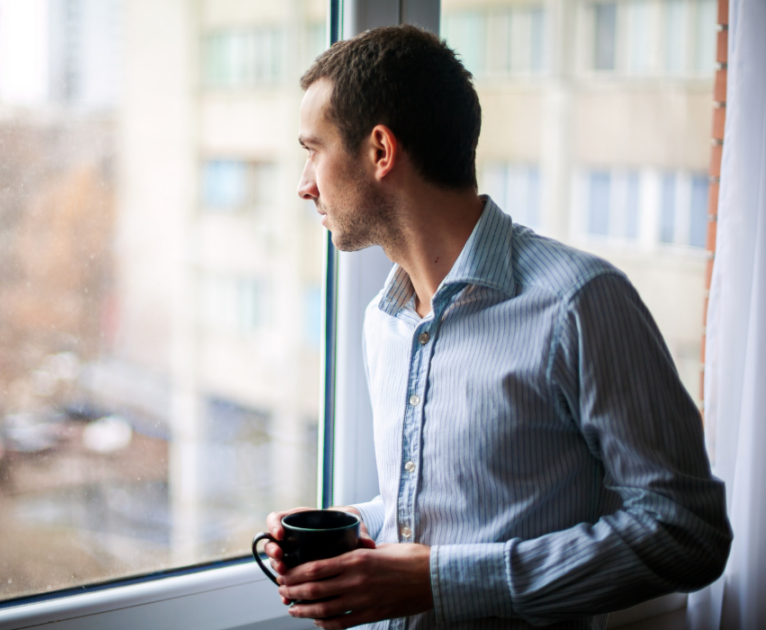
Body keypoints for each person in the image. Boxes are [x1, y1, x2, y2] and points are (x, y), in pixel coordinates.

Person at [264, 25, 732, 630]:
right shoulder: (385, 321)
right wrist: (356, 527)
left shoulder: (580, 304)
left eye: (313, 149)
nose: (305, 185)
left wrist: (438, 581)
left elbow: (686, 532)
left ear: (380, 151)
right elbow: (461, 512)